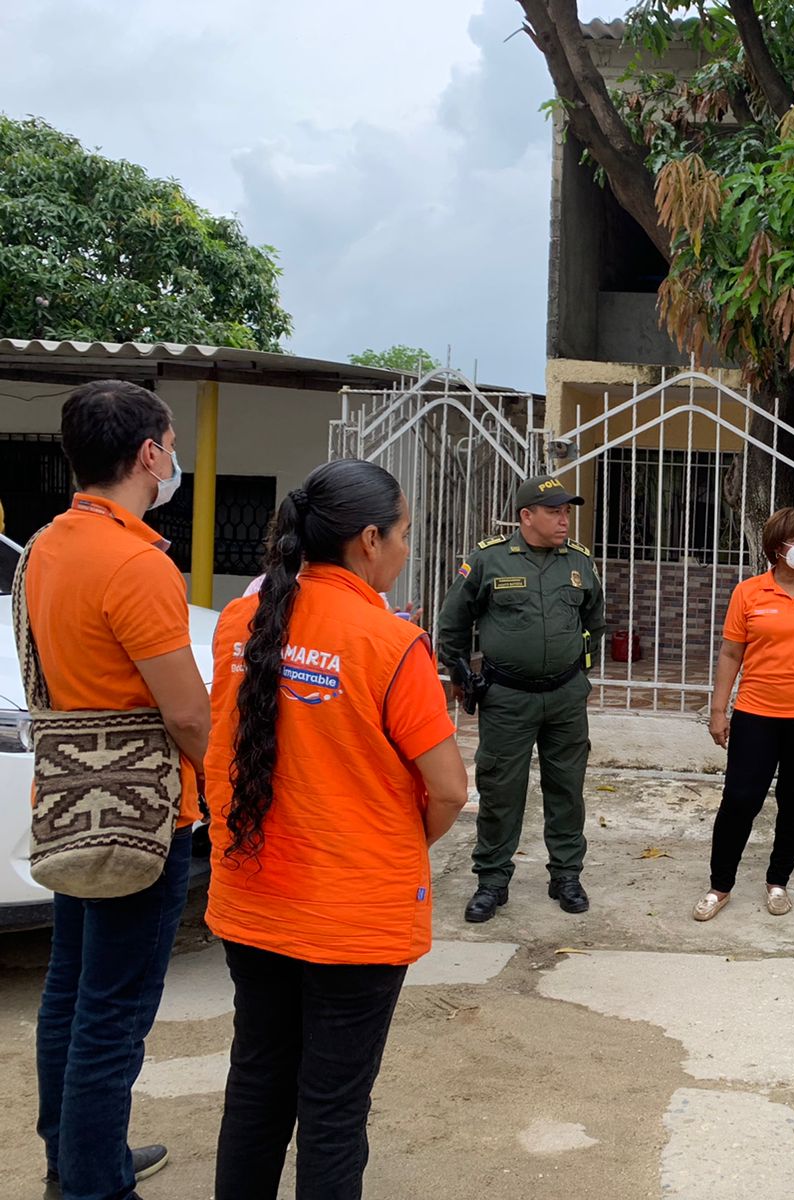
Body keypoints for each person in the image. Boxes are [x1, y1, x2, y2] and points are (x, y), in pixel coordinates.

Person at [205, 459, 467, 1199]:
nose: (408, 550)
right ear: (369, 540)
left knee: (257, 1080)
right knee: (332, 1108)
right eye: (406, 534)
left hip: (252, 899)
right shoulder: (390, 645)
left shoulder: (240, 621)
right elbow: (448, 789)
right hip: (352, 917)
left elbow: (220, 739)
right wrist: (393, 845)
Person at [25, 379, 209, 1200]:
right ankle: (95, 1186)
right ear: (148, 454)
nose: (173, 462)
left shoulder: (46, 546)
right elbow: (187, 714)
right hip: (142, 815)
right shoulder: (137, 563)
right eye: (169, 446)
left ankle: (75, 1157)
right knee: (115, 1010)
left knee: (70, 990)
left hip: (68, 803)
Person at [437, 475, 606, 921]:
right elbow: (453, 624)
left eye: (567, 511)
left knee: (567, 789)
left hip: (565, 698)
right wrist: (459, 674)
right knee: (500, 789)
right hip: (508, 698)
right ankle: (492, 880)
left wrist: (579, 674)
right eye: (554, 511)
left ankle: (566, 875)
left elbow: (596, 622)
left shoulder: (580, 563)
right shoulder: (489, 560)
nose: (564, 519)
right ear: (526, 516)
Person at [696, 508, 794, 921]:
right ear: (776, 547)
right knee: (740, 800)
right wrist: (718, 710)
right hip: (756, 714)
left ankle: (778, 880)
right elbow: (731, 653)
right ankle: (720, 886)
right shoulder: (749, 593)